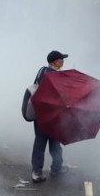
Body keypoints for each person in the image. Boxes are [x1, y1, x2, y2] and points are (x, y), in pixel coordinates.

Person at [30, 50, 70, 183]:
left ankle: (37, 171)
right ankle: (55, 168)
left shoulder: (42, 71)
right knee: (53, 142)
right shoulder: (55, 76)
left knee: (41, 143)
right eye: (61, 60)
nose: (63, 62)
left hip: (39, 114)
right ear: (54, 62)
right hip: (51, 115)